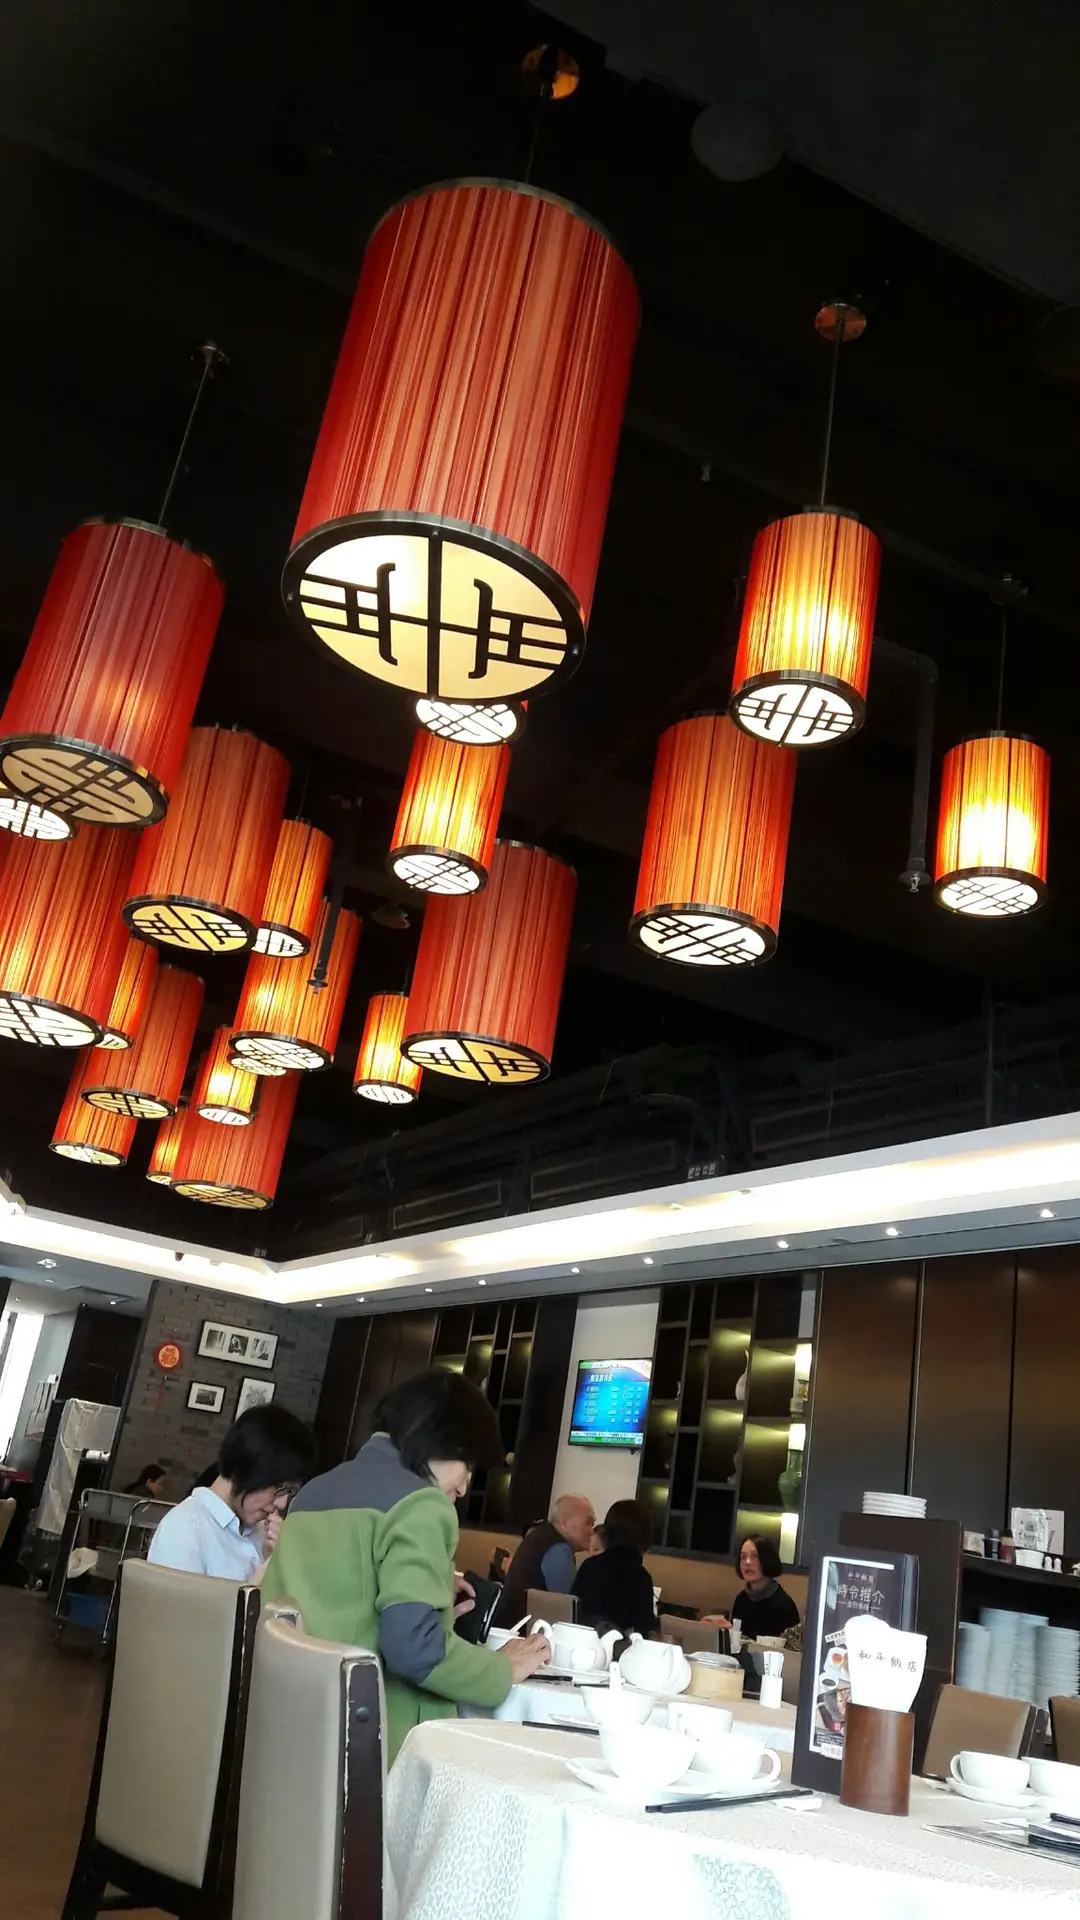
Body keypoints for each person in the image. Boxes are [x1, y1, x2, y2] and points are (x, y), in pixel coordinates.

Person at [262, 1368, 551, 1760]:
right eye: (466, 1463)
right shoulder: (421, 1504)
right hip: (373, 1741)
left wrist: (432, 1605)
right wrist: (500, 1669)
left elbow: (330, 1603)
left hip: (288, 1726)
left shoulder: (312, 1493)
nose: (464, 1486)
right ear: (439, 1440)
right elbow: (413, 1648)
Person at [148, 1405, 315, 1581]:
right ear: (247, 1468)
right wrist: (259, 1583)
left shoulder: (263, 1533)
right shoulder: (185, 1528)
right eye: (279, 1487)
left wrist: (276, 1559)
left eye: (290, 1491)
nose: (282, 1503)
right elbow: (178, 1601)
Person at [494, 1491, 595, 1627]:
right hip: (525, 1631)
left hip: (509, 1625)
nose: (591, 1531)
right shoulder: (559, 1549)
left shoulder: (539, 1536)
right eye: (588, 1523)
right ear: (564, 1522)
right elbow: (567, 1609)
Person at [571, 1498, 658, 1639]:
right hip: (618, 1650)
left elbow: (572, 1612)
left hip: (580, 1643)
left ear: (607, 1533)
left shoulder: (589, 1566)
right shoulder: (640, 1577)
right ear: (645, 1537)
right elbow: (645, 1631)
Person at [704, 1535, 801, 1639]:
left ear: (767, 1560)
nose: (747, 1562)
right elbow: (735, 1644)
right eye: (743, 1557)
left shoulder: (784, 1605)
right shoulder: (741, 1599)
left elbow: (776, 1647)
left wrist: (733, 1634)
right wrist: (724, 1631)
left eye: (754, 1556)